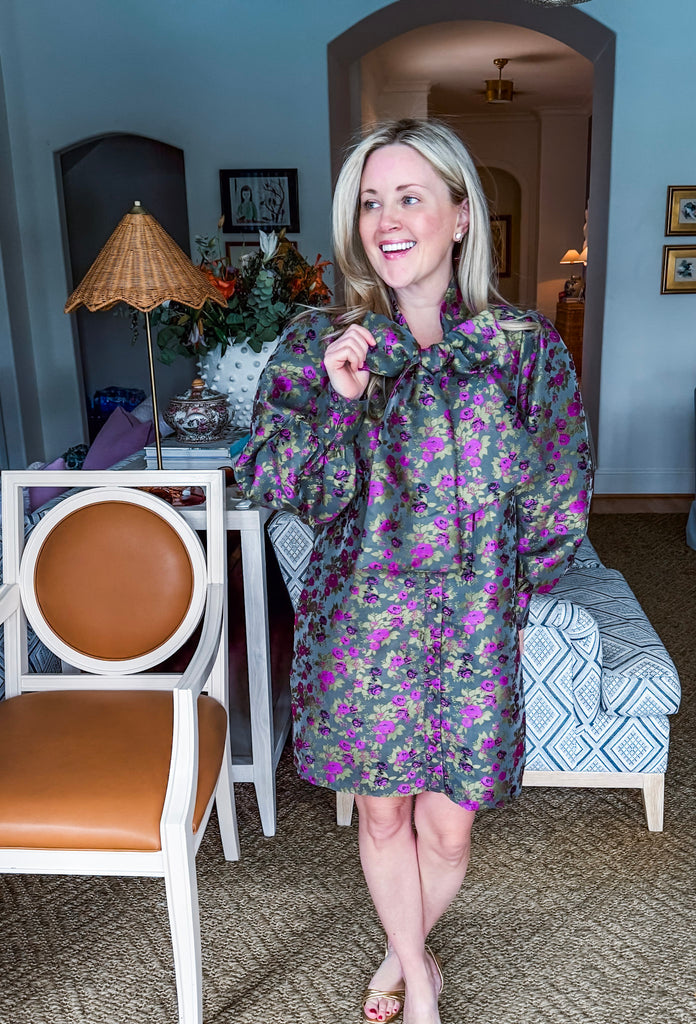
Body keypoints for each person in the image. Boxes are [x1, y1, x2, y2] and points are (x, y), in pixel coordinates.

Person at [234, 118, 592, 1024]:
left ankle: (403, 953)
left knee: (449, 827)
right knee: (383, 815)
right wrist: (338, 402)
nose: (385, 221)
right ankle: (417, 979)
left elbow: (559, 488)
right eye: (369, 202)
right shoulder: (320, 343)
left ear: (460, 215)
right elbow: (285, 486)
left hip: (474, 623)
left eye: (408, 197)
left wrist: (515, 597)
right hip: (363, 625)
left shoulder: (524, 347)